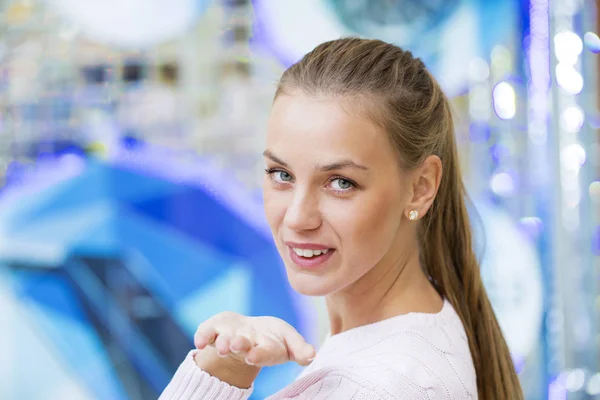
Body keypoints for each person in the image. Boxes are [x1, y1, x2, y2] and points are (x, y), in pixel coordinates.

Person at [159, 38, 524, 399]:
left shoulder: (375, 387)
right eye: (281, 175)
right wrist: (226, 366)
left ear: (420, 187)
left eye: (340, 183)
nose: (298, 218)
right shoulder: (408, 343)